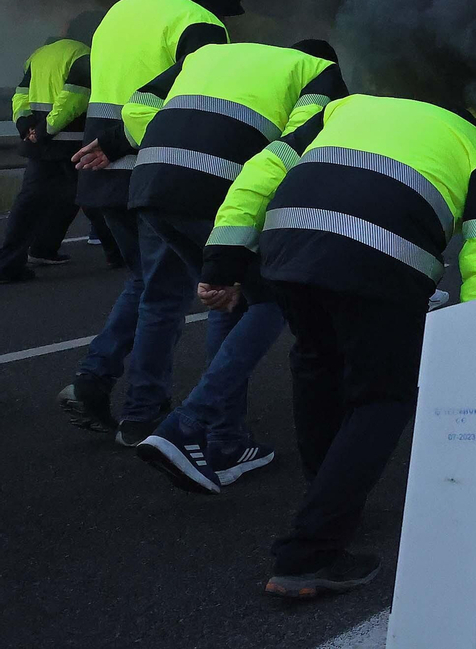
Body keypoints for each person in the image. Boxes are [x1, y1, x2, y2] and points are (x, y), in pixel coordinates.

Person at [199, 92, 476, 597]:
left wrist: (223, 258)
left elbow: (261, 171)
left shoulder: (346, 107)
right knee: (382, 397)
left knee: (316, 364)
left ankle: (326, 497)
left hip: (289, 243)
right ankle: (311, 553)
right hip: (383, 258)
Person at [118, 39, 347, 492]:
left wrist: (172, 154)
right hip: (224, 188)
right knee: (272, 300)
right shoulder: (322, 73)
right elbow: (299, 149)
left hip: (151, 183)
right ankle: (188, 424)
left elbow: (136, 107)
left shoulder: (206, 55)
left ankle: (226, 442)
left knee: (230, 297)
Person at [59, 0, 242, 443]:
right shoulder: (199, 23)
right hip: (156, 171)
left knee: (145, 284)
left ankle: (92, 381)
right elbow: (197, 100)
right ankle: (142, 413)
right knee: (165, 296)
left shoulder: (120, 10)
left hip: (102, 169)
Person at [1, 29, 92, 282]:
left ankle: (13, 261)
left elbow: (21, 95)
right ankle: (122, 255)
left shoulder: (38, 55)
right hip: (70, 144)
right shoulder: (82, 54)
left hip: (41, 145)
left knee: (32, 201)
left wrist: (26, 127)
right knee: (92, 197)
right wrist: (44, 131)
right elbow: (73, 100)